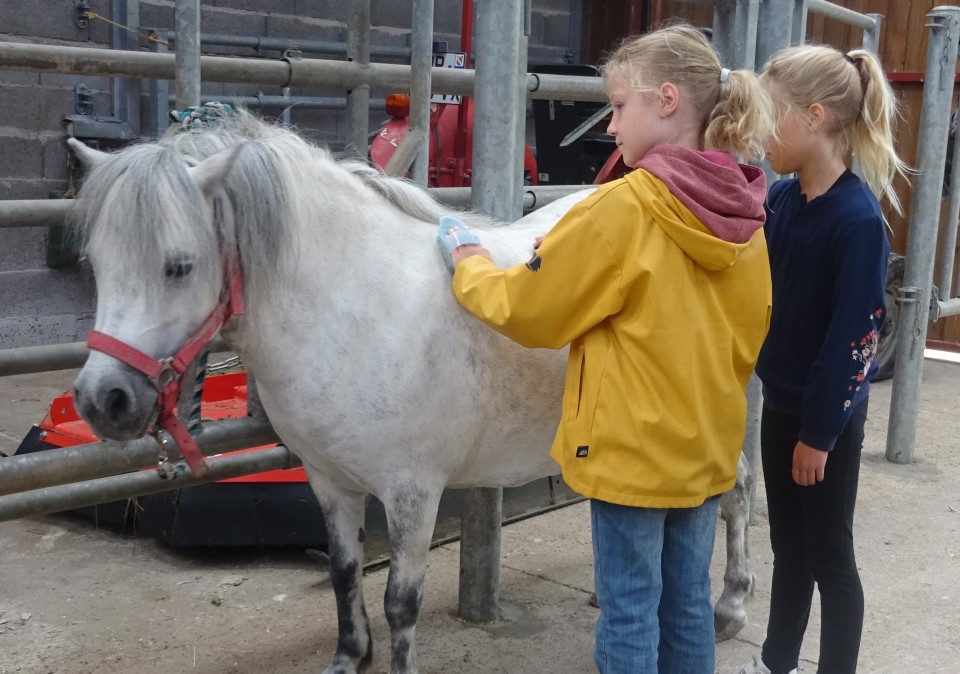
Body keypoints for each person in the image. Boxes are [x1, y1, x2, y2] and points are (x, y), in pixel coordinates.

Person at [441, 24, 775, 674]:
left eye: (620, 107)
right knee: (684, 606)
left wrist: (468, 262)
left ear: (668, 100)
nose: (612, 126)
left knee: (627, 609)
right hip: (704, 449)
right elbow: (753, 325)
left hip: (631, 456)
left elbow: (529, 309)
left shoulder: (623, 210)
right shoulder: (748, 215)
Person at [737, 45, 909, 674]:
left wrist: (819, 435)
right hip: (781, 405)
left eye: (770, 115)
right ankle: (776, 661)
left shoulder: (858, 220)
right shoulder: (780, 201)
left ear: (813, 118)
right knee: (787, 548)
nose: (760, 132)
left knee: (831, 556)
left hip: (824, 424)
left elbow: (854, 340)